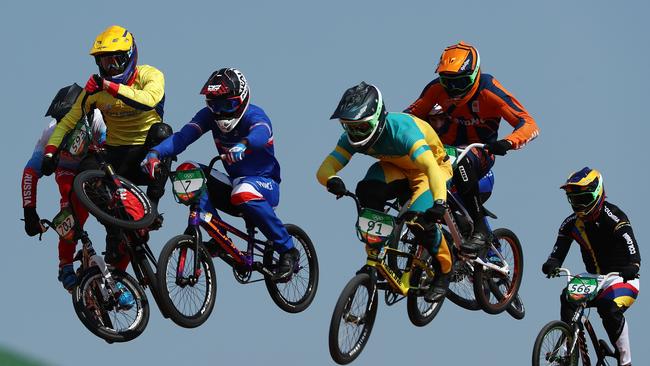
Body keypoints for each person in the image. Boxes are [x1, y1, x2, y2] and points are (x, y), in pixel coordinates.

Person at [141, 67, 299, 280]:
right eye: (215, 105)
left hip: (265, 184)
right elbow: (182, 137)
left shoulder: (254, 114)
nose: (221, 112)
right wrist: (155, 153)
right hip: (234, 184)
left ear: (241, 100)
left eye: (228, 105)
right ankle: (219, 238)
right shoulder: (208, 116)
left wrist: (245, 144)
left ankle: (289, 250)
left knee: (242, 192)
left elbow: (262, 132)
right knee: (188, 171)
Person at [40, 25, 172, 266]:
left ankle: (151, 210)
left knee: (164, 134)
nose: (109, 68)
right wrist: (50, 152)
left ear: (130, 56)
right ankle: (115, 233)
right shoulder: (95, 91)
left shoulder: (150, 75)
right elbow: (69, 122)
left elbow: (148, 100)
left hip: (147, 154)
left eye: (115, 61)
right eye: (103, 62)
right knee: (86, 171)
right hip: (117, 156)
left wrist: (109, 87)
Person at [316, 82, 453, 302]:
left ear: (377, 119)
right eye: (348, 126)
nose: (354, 132)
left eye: (361, 127)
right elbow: (325, 167)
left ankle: (445, 269)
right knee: (367, 191)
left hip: (430, 170)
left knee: (418, 221)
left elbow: (431, 168)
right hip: (396, 167)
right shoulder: (353, 137)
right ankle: (375, 254)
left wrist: (439, 202)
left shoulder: (403, 132)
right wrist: (332, 179)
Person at [405, 41, 539, 255]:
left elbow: (529, 123)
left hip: (479, 153)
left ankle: (481, 230)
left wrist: (508, 142)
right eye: (448, 82)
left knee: (462, 163)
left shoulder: (489, 89)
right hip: (442, 155)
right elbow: (408, 119)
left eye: (460, 82)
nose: (453, 89)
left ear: (476, 73)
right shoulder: (435, 89)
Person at [542, 167, 640, 366]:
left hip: (621, 277)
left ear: (597, 194)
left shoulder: (614, 216)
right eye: (575, 200)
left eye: (583, 199)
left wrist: (634, 264)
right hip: (593, 277)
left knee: (608, 308)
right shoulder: (570, 223)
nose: (578, 205)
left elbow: (631, 244)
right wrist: (552, 263)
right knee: (567, 297)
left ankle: (625, 360)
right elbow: (558, 251)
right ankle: (570, 350)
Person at [22, 84, 109, 292]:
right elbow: (29, 173)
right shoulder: (50, 133)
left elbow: (111, 146)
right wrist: (30, 212)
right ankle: (65, 266)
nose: (63, 124)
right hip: (67, 171)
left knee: (112, 201)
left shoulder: (96, 117)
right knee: (69, 209)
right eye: (59, 119)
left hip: (94, 164)